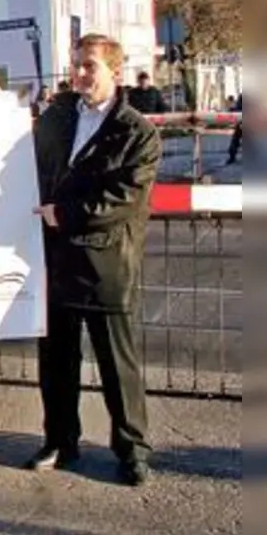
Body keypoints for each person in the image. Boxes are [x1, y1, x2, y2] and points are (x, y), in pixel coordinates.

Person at [28, 34, 161, 487]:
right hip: (55, 261)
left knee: (117, 366)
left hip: (106, 265)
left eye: (90, 66)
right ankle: (60, 440)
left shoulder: (137, 131)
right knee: (57, 360)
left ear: (115, 72)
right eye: (77, 65)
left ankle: (132, 450)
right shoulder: (57, 116)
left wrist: (62, 213)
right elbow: (25, 166)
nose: (80, 74)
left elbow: (124, 199)